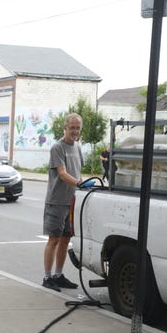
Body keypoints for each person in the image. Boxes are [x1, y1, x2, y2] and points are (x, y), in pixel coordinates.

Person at [42, 113, 93, 292]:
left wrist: (83, 184)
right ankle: (47, 277)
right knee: (54, 239)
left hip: (71, 201)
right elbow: (62, 174)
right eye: (72, 127)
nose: (75, 131)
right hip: (56, 201)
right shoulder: (58, 147)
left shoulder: (78, 148)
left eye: (78, 128)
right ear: (65, 128)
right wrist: (80, 183)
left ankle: (58, 275)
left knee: (65, 239)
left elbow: (77, 172)